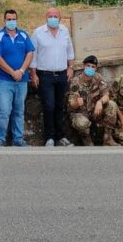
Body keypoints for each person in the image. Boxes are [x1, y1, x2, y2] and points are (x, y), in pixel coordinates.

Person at [30, 8, 75, 147]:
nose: (53, 18)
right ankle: (49, 138)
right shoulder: (38, 33)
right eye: (50, 16)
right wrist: (33, 74)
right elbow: (33, 55)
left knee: (60, 106)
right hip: (45, 75)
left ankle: (61, 136)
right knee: (49, 106)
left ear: (60, 18)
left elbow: (70, 50)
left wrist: (70, 67)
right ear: (46, 17)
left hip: (62, 74)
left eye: (56, 16)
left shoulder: (64, 31)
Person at [0, 9, 35, 147]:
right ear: (4, 20)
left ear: (17, 20)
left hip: (21, 80)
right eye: (8, 19)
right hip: (4, 80)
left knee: (19, 110)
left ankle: (18, 139)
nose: (11, 21)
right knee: (4, 110)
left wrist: (21, 71)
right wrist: (12, 72)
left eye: (13, 19)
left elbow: (30, 53)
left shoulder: (23, 35)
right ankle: (0, 139)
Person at [67, 55, 118, 146]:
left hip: (95, 111)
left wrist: (100, 102)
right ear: (83, 66)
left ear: (96, 68)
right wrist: (76, 103)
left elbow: (106, 95)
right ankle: (87, 140)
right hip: (81, 113)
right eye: (88, 66)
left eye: (93, 67)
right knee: (81, 123)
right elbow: (71, 104)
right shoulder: (75, 81)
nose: (90, 68)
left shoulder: (99, 78)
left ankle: (108, 138)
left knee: (111, 104)